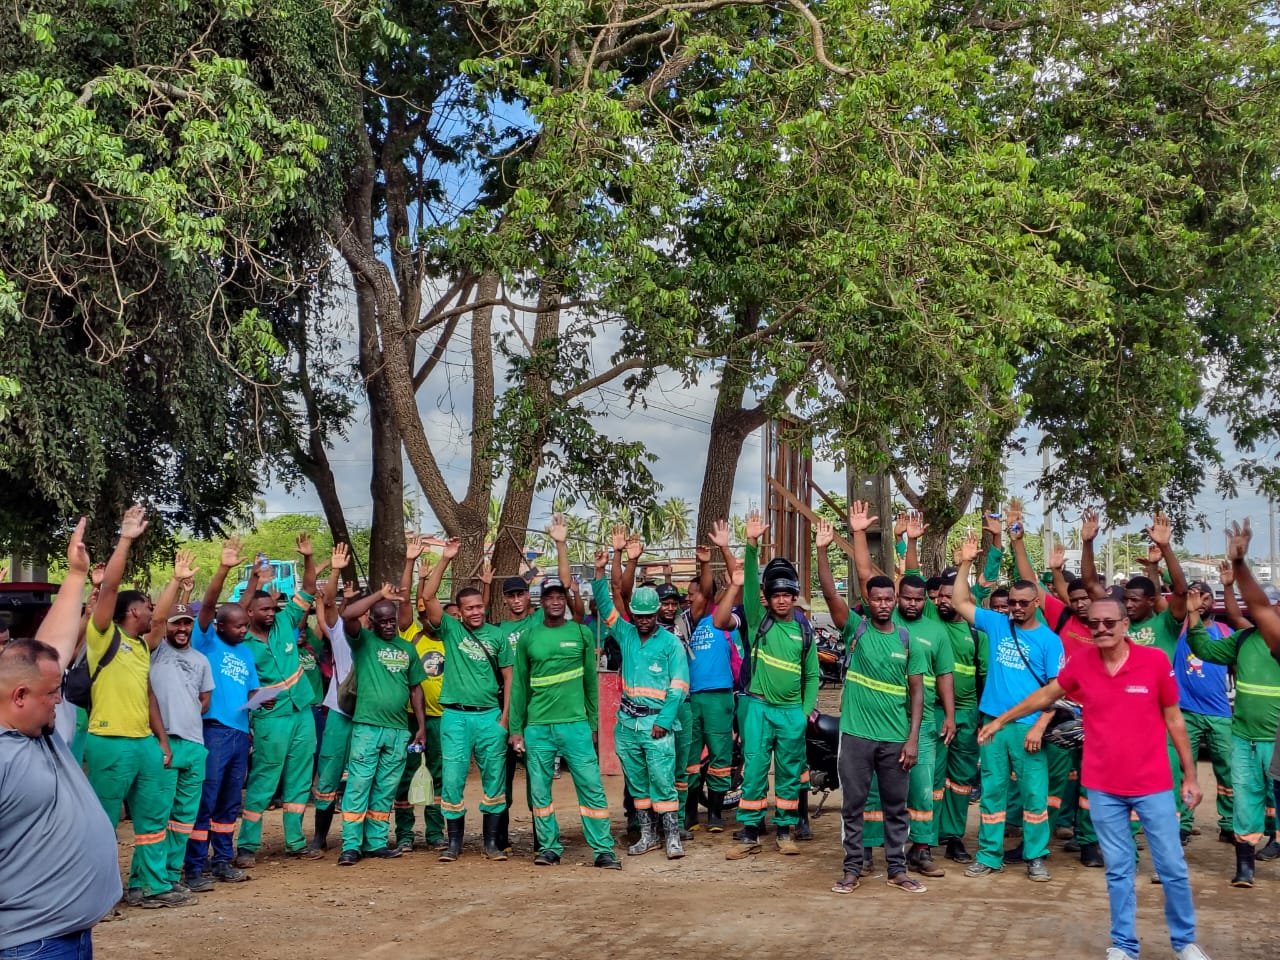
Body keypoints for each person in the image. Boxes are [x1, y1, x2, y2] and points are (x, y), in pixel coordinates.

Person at [978, 596, 1211, 960]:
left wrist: (1191, 777)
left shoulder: (1153, 662)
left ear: (1124, 625)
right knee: (1118, 870)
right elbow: (1046, 694)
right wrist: (1001, 721)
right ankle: (1124, 945)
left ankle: (1184, 943)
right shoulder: (1082, 664)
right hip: (1103, 788)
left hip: (1152, 785)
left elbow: (1174, 720)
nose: (1101, 628)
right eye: (1094, 623)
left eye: (1109, 622)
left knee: (1171, 867)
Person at [1, 519, 121, 956]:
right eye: (52, 693)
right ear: (19, 696)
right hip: (29, 945)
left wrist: (75, 576)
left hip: (66, 936)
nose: (60, 699)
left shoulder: (40, 730)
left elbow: (48, 651)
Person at [83, 505, 195, 908]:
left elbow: (148, 695)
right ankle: (97, 895)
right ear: (132, 611)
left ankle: (150, 886)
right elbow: (111, 588)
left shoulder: (141, 646)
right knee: (103, 822)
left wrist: (161, 740)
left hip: (144, 742)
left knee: (153, 818)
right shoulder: (103, 635)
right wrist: (125, 539)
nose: (152, 612)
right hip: (109, 741)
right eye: (146, 606)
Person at [816, 517, 927, 894]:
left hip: (895, 740)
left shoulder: (906, 640)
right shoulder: (856, 629)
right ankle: (852, 869)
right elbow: (830, 595)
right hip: (856, 736)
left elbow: (917, 692)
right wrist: (822, 551)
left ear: (894, 602)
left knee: (897, 807)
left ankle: (897, 869)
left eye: (887, 599)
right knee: (854, 805)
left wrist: (912, 739)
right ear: (868, 601)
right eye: (876, 599)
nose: (882, 604)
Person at [952, 530, 1064, 881]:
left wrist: (1040, 726)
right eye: (1012, 602)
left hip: (1028, 728)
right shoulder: (998, 624)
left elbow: (1055, 691)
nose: (1015, 608)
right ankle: (989, 855)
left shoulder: (1050, 641)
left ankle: (1036, 856)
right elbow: (960, 602)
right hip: (992, 724)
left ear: (1036, 603)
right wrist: (965, 563)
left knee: (1034, 794)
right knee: (992, 791)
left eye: (1022, 603)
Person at [852, 508, 956, 879]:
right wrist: (860, 534)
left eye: (917, 599)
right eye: (905, 598)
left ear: (926, 599)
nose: (911, 603)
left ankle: (921, 850)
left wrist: (949, 715)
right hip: (885, 718)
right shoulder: (885, 618)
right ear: (896, 598)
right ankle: (867, 850)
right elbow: (866, 574)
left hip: (923, 723)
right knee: (874, 789)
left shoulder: (937, 630)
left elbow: (945, 675)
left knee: (922, 789)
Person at [714, 510, 818, 859]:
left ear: (795, 596)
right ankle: (749, 833)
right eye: (776, 594)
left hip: (791, 713)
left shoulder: (804, 630)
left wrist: (803, 713)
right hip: (758, 708)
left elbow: (812, 676)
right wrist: (751, 543)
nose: (782, 599)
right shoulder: (758, 620)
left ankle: (785, 832)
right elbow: (746, 586)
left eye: (787, 594)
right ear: (767, 597)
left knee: (789, 773)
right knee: (755, 770)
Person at [1187, 520, 1280, 888]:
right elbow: (1204, 649)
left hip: (1276, 739)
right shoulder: (1243, 640)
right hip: (1244, 737)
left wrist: (1239, 566)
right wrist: (1194, 616)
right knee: (1245, 799)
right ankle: (1245, 865)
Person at [509, 574, 620, 869]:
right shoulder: (529, 638)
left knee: (591, 786)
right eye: (550, 597)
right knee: (540, 791)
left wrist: (593, 725)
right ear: (541, 602)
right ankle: (548, 848)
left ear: (566, 601)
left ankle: (603, 850)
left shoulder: (581, 634)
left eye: (561, 597)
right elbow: (519, 687)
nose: (556, 602)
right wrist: (516, 730)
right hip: (538, 727)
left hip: (575, 725)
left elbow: (591, 685)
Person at [419, 538, 513, 862]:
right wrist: (445, 559)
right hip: (455, 717)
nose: (475, 612)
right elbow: (428, 596)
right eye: (469, 608)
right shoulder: (450, 629)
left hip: (489, 717)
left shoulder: (498, 636)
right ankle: (454, 844)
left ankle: (491, 844)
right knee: (453, 778)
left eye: (479, 607)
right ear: (459, 612)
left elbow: (509, 678)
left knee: (494, 779)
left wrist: (504, 719)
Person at [592, 552, 690, 859]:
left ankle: (672, 836)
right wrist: (599, 572)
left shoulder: (671, 643)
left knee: (663, 780)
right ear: (633, 614)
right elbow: (606, 608)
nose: (644, 621)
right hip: (627, 724)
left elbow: (679, 686)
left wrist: (664, 720)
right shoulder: (626, 634)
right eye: (639, 616)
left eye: (648, 616)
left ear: (657, 612)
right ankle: (648, 835)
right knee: (637, 783)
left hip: (656, 724)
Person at [235, 533, 320, 865]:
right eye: (265, 609)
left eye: (273, 608)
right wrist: (254, 580)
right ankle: (247, 846)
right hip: (270, 717)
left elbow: (309, 588)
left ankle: (295, 841)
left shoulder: (286, 621)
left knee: (300, 777)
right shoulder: (240, 642)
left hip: (302, 711)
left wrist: (308, 557)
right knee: (264, 778)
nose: (271, 613)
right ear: (249, 612)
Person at [334, 584, 428, 866]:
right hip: (367, 727)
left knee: (386, 788)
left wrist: (420, 726)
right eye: (382, 621)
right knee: (359, 785)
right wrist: (379, 596)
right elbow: (347, 614)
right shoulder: (362, 641)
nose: (388, 625)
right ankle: (351, 845)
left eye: (391, 620)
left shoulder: (407, 648)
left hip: (398, 730)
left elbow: (415, 689)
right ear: (372, 622)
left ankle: (376, 842)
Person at [186, 540, 260, 888]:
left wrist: (262, 699)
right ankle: (194, 866)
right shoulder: (206, 641)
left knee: (230, 803)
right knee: (206, 798)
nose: (243, 630)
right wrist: (224, 569)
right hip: (213, 731)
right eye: (238, 626)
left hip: (240, 733)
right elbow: (209, 604)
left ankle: (222, 861)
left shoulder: (245, 652)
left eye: (245, 626)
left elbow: (251, 690)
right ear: (219, 626)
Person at [147, 592, 214, 897]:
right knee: (158, 815)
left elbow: (205, 698)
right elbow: (157, 621)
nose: (182, 628)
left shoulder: (201, 660)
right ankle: (148, 880)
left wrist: (187, 712)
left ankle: (172, 875)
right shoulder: (154, 650)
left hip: (194, 744)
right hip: (163, 741)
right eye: (176, 623)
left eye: (187, 623)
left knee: (184, 818)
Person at [392, 536, 447, 854]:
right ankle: (404, 834)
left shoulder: (449, 638)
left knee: (439, 776)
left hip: (441, 719)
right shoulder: (411, 634)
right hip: (411, 718)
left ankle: (435, 833)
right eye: (421, 614)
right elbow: (404, 601)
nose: (427, 619)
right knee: (405, 774)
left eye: (430, 614)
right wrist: (411, 564)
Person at [1176, 577, 1236, 846]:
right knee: (1184, 770)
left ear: (1213, 601)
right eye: (1193, 595)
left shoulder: (1224, 631)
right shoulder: (1179, 629)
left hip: (1220, 713)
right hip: (1185, 712)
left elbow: (1236, 667)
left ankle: (1229, 824)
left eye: (1205, 596)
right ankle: (1184, 824)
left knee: (1227, 770)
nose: (1199, 601)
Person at [308, 546, 356, 853]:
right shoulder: (339, 633)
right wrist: (336, 570)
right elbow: (327, 603)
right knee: (328, 775)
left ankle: (356, 839)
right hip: (339, 712)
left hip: (368, 716)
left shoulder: (379, 640)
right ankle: (319, 837)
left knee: (360, 777)